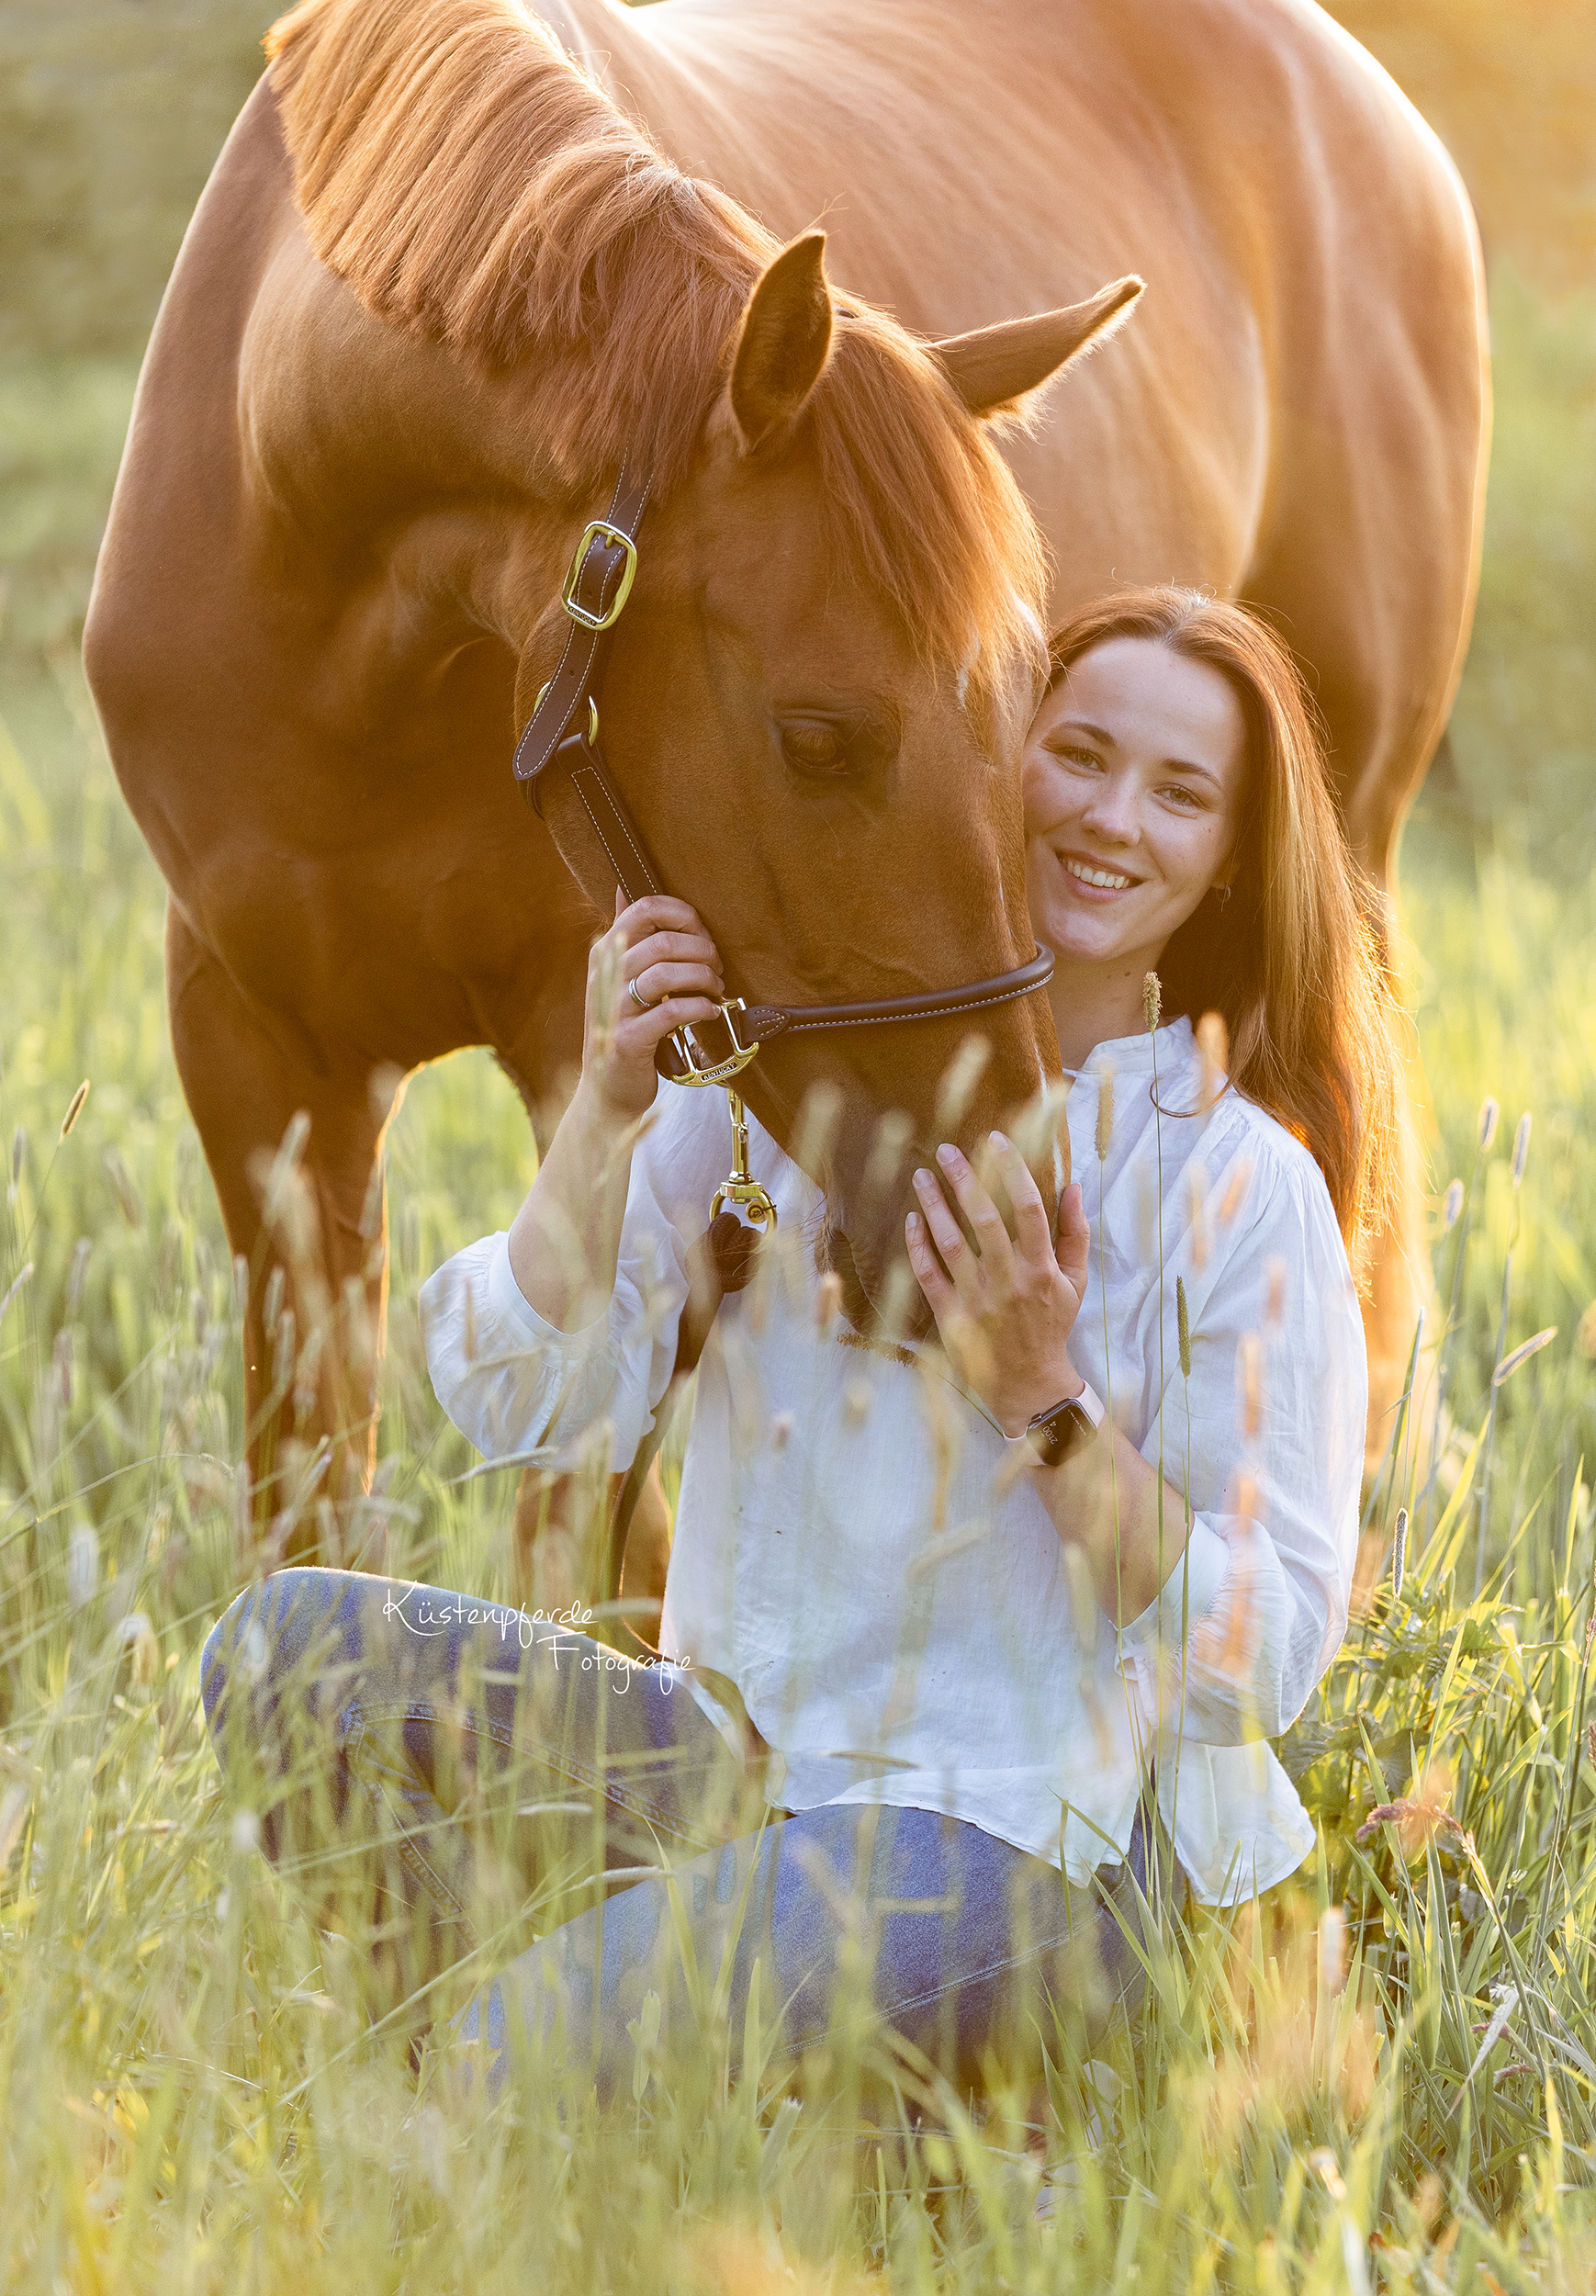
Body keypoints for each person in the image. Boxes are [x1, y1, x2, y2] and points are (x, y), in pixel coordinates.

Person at [200, 588, 1399, 2107]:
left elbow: (1266, 1665)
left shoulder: (1237, 1186)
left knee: (511, 2069)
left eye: (1179, 794)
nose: (1110, 819)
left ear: (1231, 858)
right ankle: (593, 2039)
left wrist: (1045, 1402)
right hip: (738, 1769)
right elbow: (516, 1401)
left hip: (1022, 1836)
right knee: (287, 1652)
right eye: (1078, 754)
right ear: (991, 760)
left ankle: (549, 2070)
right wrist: (611, 1106)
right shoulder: (782, 1069)